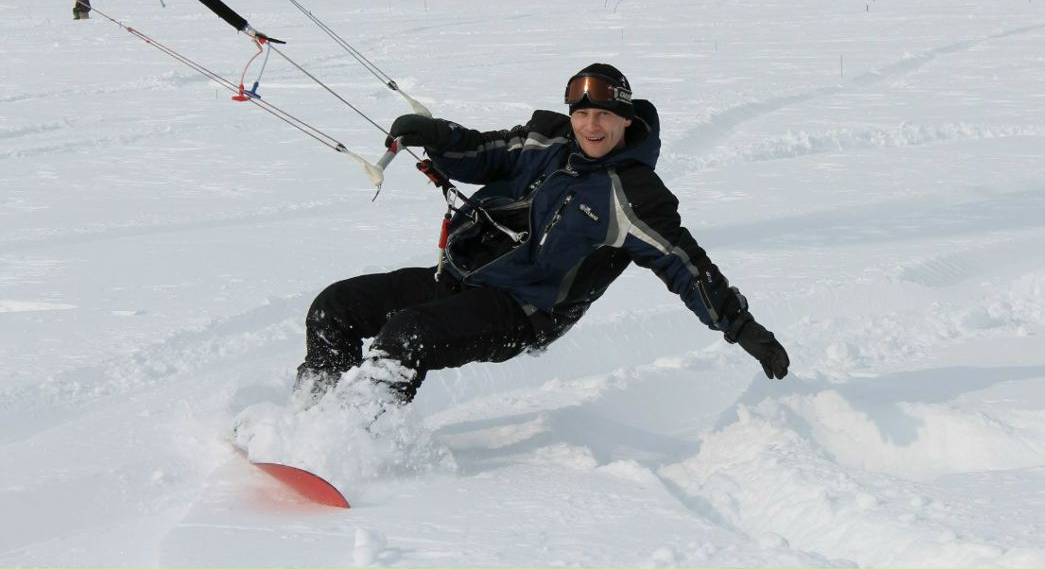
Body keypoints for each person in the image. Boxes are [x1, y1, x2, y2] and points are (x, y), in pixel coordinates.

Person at [295, 63, 790, 406]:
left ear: (625, 119)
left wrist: (741, 327)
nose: (590, 126)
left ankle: (349, 439)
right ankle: (309, 411)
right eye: (581, 114)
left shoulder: (634, 195)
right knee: (333, 307)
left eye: (603, 116)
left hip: (523, 309)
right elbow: (482, 152)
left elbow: (686, 267)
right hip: (459, 276)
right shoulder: (546, 139)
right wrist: (437, 135)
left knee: (406, 336)